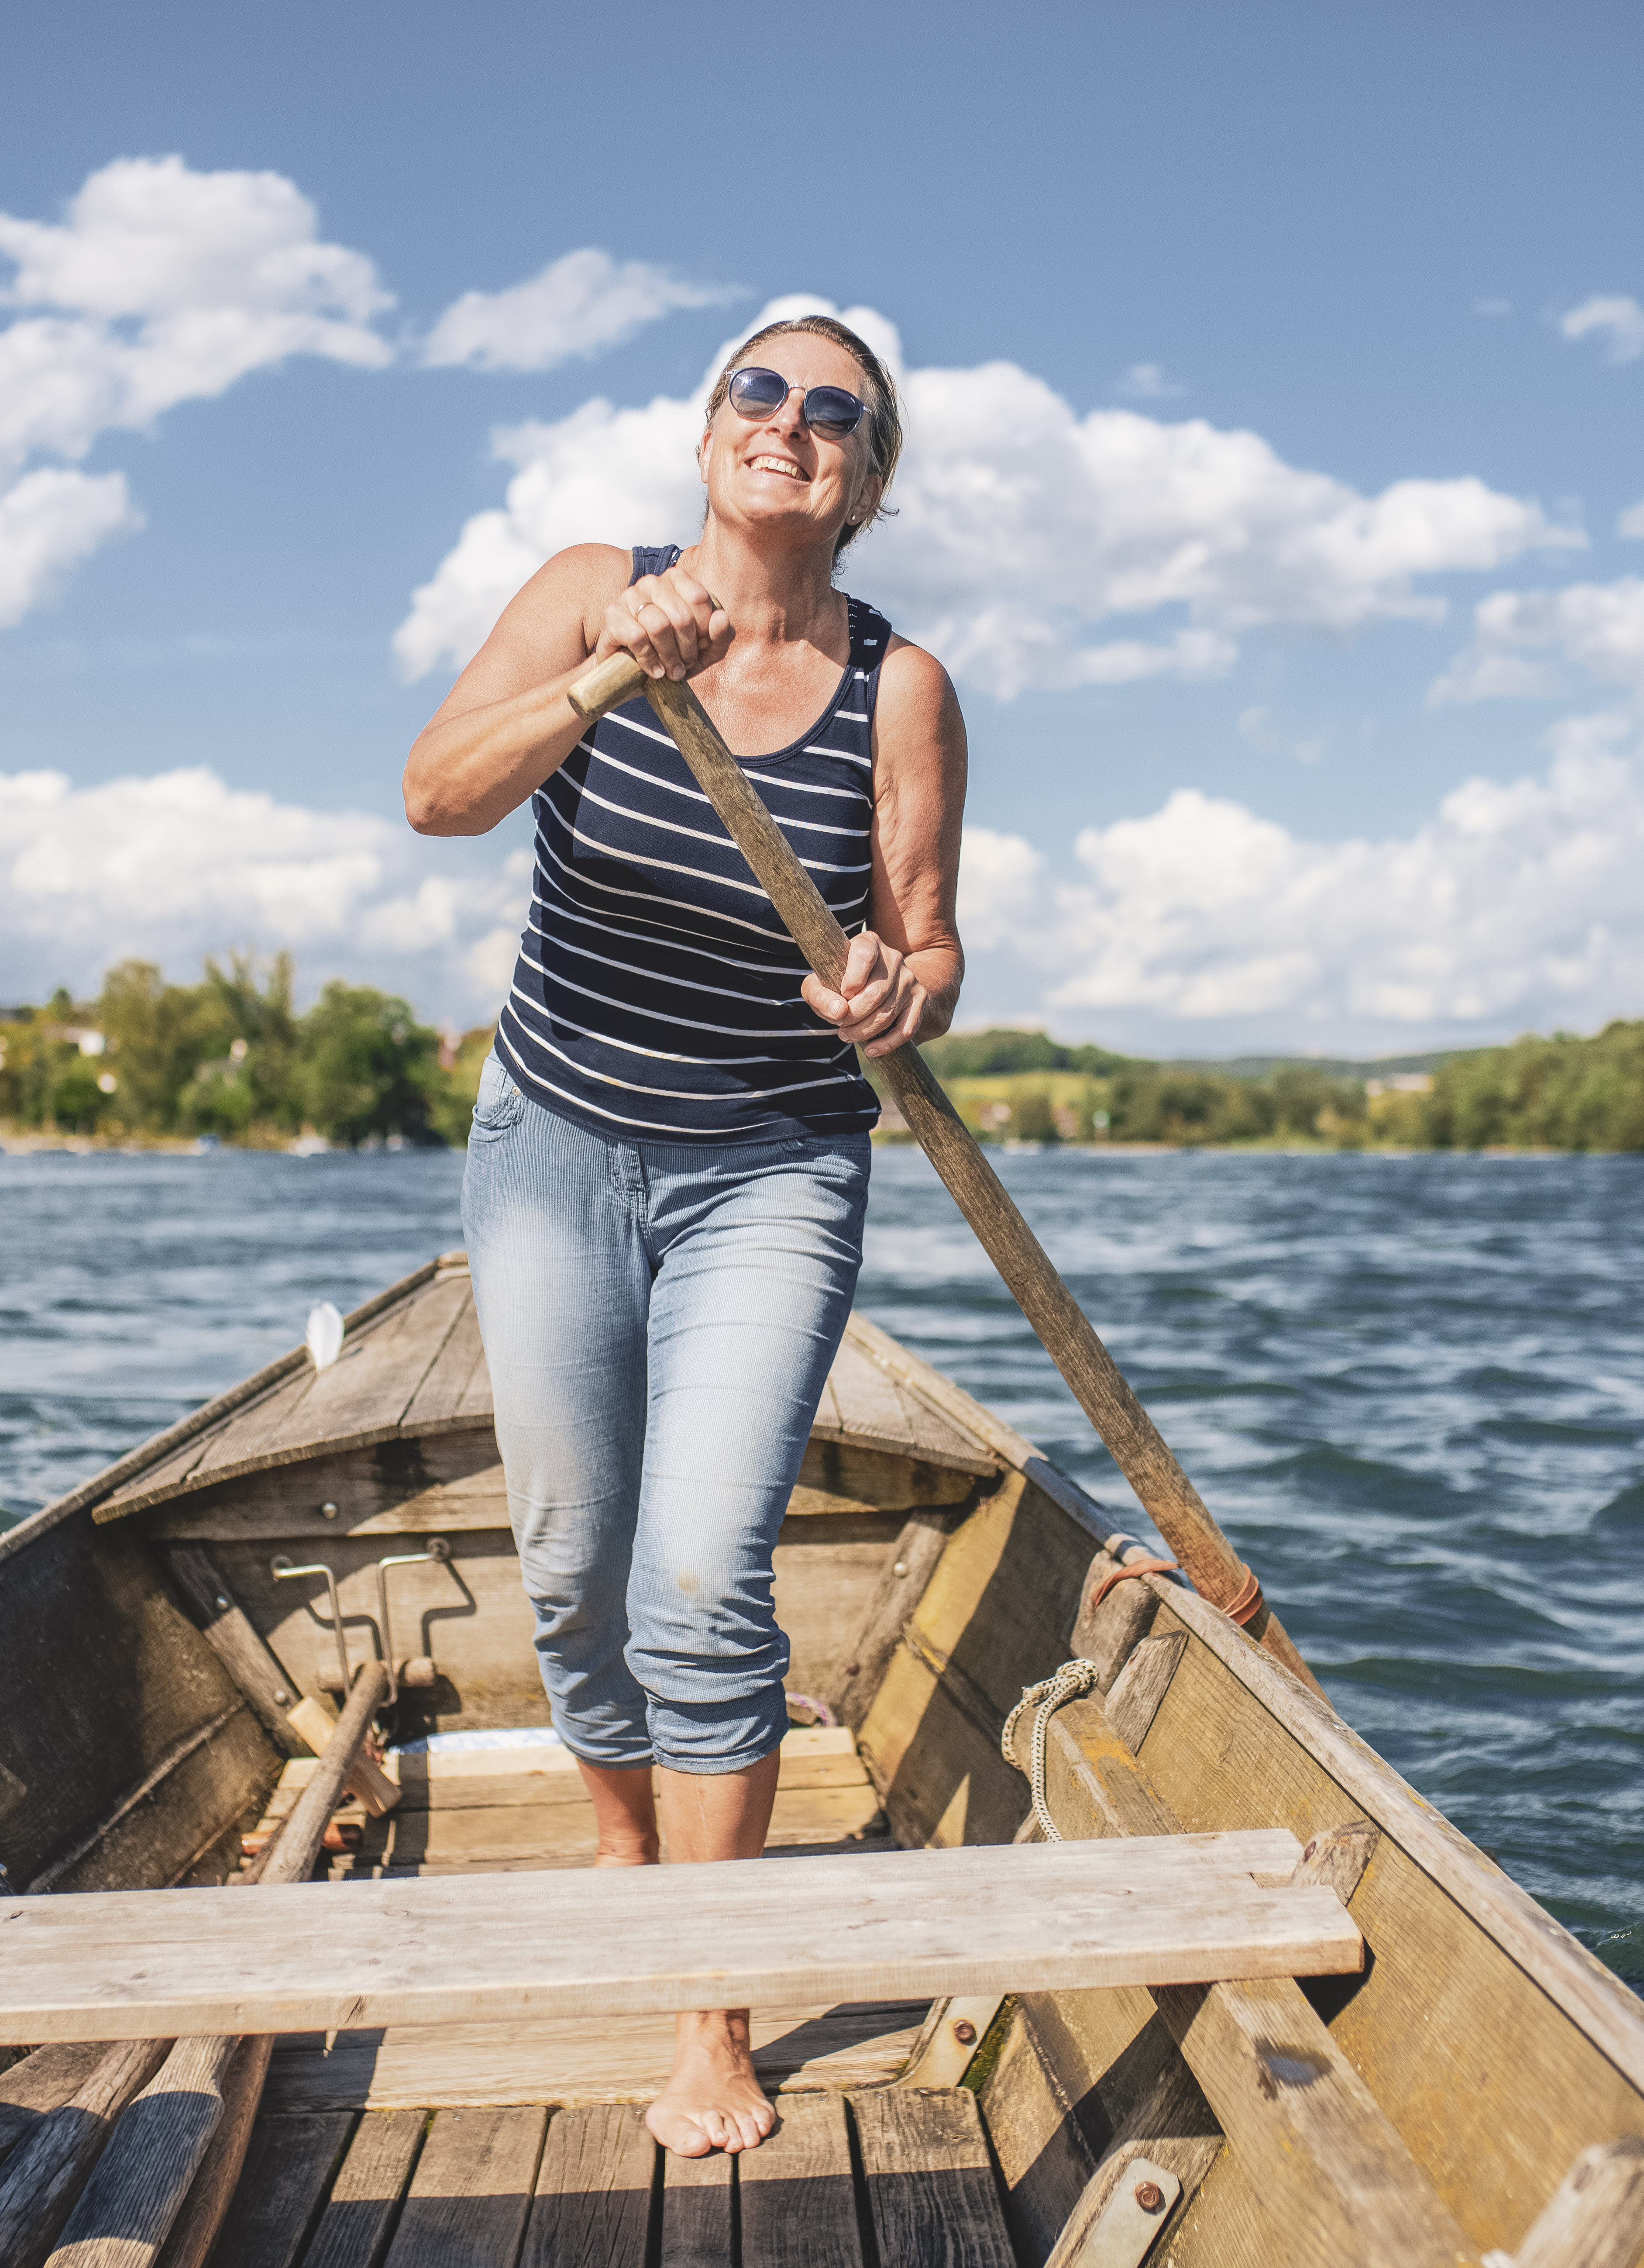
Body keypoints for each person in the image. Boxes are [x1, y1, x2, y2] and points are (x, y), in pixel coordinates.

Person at [402, 313, 971, 2155]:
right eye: (760, 393)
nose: (790, 427)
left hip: (775, 1172)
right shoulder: (591, 592)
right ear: (703, 426)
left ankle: (708, 2004)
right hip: (554, 1143)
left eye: (835, 415)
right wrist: (596, 682)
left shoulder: (901, 689)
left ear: (865, 480)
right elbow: (434, 794)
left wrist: (906, 988)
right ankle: (625, 1845)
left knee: (701, 1576)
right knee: (572, 1573)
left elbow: (933, 939)